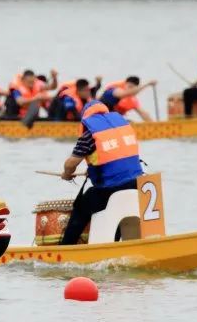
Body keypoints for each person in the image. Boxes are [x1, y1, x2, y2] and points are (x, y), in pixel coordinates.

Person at [59, 102, 143, 245]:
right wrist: (91, 170)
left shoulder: (90, 134)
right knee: (117, 209)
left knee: (81, 206)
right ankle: (115, 242)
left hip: (111, 188)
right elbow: (116, 158)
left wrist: (66, 174)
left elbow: (70, 164)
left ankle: (66, 246)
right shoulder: (122, 126)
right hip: (137, 184)